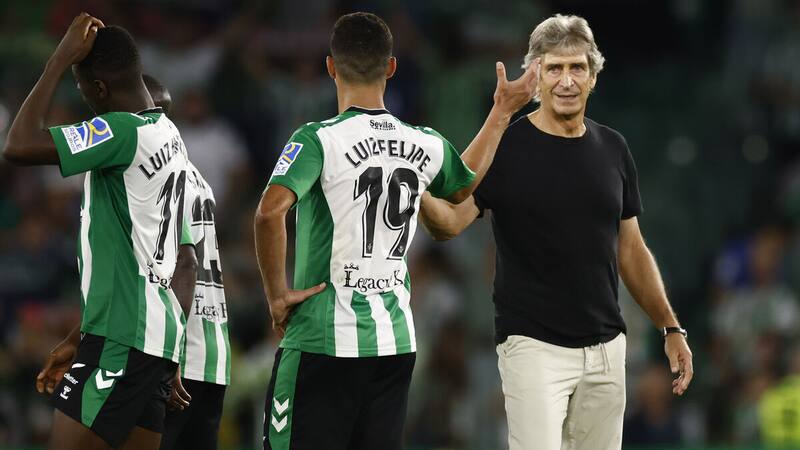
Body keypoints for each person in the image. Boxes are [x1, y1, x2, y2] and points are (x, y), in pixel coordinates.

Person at [253, 12, 537, 450]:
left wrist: (277, 296)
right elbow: (462, 186)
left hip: (323, 340)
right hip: (394, 343)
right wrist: (501, 112)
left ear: (330, 67)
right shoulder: (422, 141)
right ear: (391, 67)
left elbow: (269, 213)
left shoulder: (317, 139)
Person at [419, 14, 694, 450]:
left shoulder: (614, 148)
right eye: (554, 68)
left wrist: (670, 327)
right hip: (532, 347)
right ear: (535, 76)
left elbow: (631, 248)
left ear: (593, 76)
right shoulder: (505, 146)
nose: (566, 80)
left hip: (606, 350)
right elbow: (449, 223)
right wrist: (415, 188)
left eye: (577, 67)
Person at [4, 14, 196, 450]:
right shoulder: (170, 137)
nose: (83, 94)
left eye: (80, 85)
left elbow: (17, 144)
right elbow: (185, 260)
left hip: (121, 337)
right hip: (154, 340)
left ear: (99, 88)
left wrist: (57, 60)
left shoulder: (121, 130)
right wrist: (82, 337)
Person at [143, 75, 232, 450]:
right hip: (213, 352)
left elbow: (184, 263)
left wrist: (170, 355)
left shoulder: (152, 173)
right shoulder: (194, 173)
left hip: (173, 355)